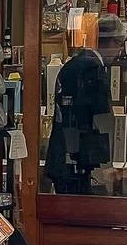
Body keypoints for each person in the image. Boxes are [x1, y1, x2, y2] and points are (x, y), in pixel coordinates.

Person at [44, 13, 122, 194]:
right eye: (118, 45)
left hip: (63, 155)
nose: (118, 52)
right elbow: (98, 117)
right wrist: (105, 163)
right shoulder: (91, 68)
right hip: (78, 160)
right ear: (112, 43)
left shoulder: (73, 64)